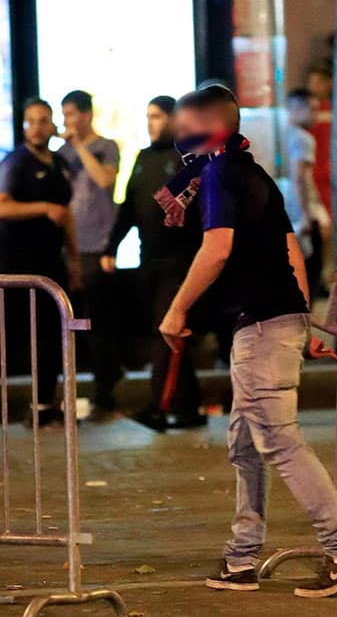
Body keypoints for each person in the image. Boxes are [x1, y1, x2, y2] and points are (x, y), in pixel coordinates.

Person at [156, 85, 337, 598]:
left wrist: (176, 308)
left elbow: (216, 248)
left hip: (259, 328)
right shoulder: (253, 173)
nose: (177, 139)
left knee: (277, 441)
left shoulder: (218, 173)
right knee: (246, 444)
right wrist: (303, 318)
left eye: (184, 128)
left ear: (208, 129)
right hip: (274, 323)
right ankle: (241, 557)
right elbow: (290, 246)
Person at [101, 96, 205, 429]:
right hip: (149, 261)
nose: (151, 123)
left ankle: (158, 405)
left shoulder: (190, 158)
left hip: (180, 263)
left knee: (167, 330)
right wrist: (111, 247)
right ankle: (188, 407)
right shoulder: (144, 158)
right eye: (148, 116)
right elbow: (129, 206)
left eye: (157, 116)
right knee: (167, 332)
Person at [0, 98, 80, 427]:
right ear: (24, 126)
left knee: (53, 335)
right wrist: (43, 208)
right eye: (31, 120)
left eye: (43, 120)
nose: (37, 126)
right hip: (16, 263)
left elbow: (66, 214)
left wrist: (74, 260)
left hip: (52, 262)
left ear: (52, 125)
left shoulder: (60, 163)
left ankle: (44, 405)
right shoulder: (15, 162)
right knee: (10, 335)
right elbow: (2, 206)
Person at [57, 90, 121, 416]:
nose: (68, 121)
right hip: (69, 248)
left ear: (86, 114)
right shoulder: (61, 153)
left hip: (98, 247)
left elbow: (104, 180)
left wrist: (80, 145)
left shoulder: (105, 147)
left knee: (98, 323)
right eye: (64, 114)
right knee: (70, 322)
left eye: (71, 113)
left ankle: (104, 390)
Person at [282, 88, 330, 298]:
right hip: (301, 209)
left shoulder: (280, 136)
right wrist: (305, 213)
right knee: (310, 265)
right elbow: (300, 177)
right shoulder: (303, 138)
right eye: (310, 110)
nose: (315, 116)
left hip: (283, 208)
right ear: (295, 109)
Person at [307, 61, 334, 217]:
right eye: (311, 82)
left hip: (329, 168)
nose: (314, 87)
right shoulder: (307, 111)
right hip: (313, 168)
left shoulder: (335, 108)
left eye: (318, 82)